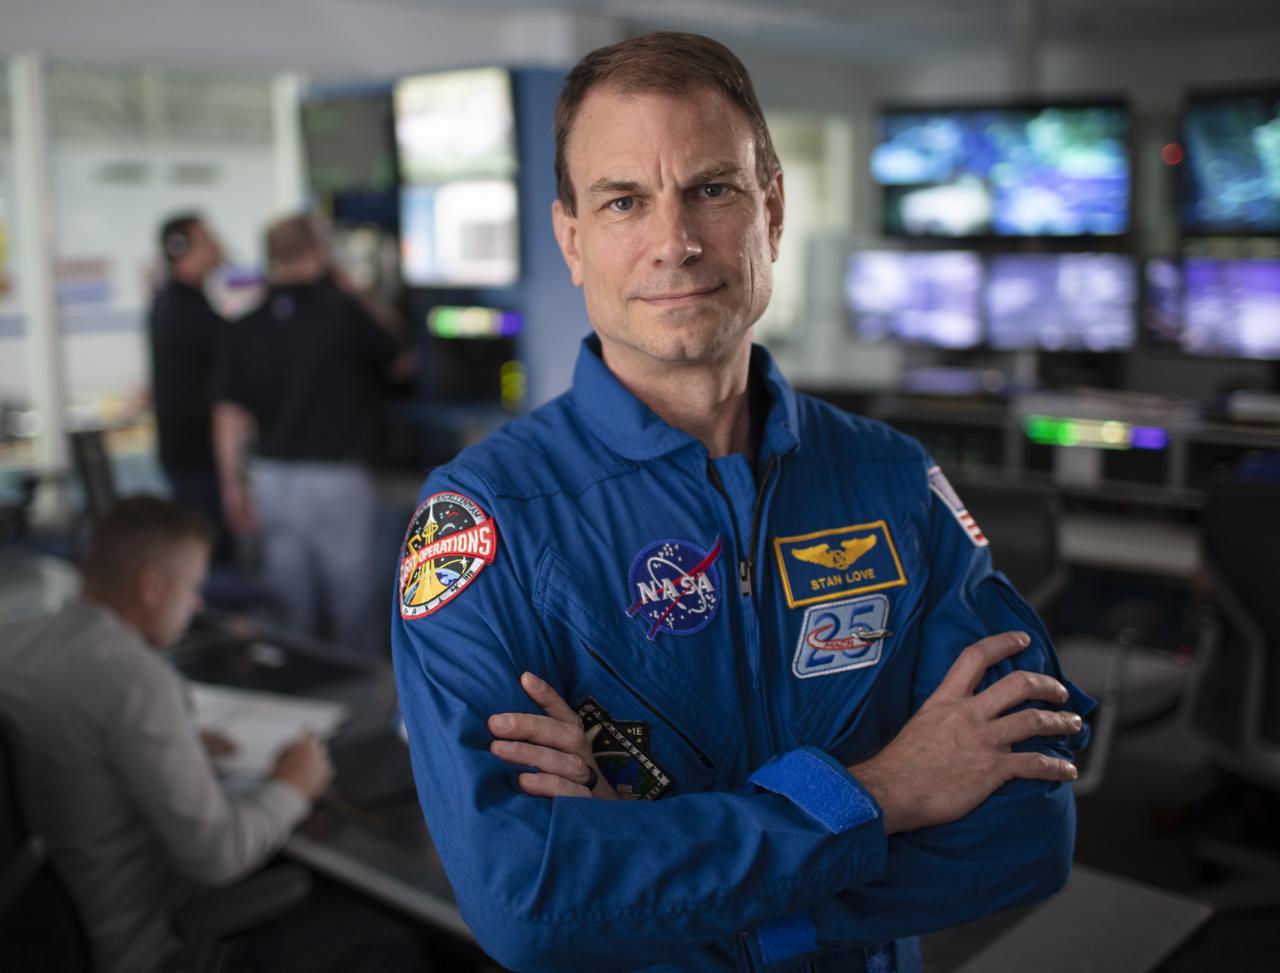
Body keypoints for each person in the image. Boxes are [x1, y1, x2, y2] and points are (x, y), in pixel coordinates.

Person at [390, 31, 1093, 973]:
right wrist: (888, 791)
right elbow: (528, 900)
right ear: (571, 238)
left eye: (711, 189)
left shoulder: (891, 478)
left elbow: (1028, 831)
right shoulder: (485, 521)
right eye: (624, 201)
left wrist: (661, 881)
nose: (674, 242)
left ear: (772, 209)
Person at [0, 496, 331, 973]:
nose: (197, 604)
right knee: (391, 941)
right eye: (193, 586)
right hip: (146, 949)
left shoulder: (16, 644)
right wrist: (293, 784)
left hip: (36, 940)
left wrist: (179, 744)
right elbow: (217, 855)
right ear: (152, 586)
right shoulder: (131, 677)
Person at [214, 214, 410, 652]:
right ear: (318, 253)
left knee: (287, 612)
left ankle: (297, 703)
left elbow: (229, 416)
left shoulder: (245, 322)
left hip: (272, 481)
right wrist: (356, 289)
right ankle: (360, 713)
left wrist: (233, 488)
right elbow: (399, 357)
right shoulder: (345, 312)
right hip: (337, 480)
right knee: (354, 611)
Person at [147, 213, 230, 554]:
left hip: (187, 456)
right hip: (198, 461)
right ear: (182, 250)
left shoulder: (172, 303)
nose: (219, 246)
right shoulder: (186, 312)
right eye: (208, 239)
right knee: (210, 556)